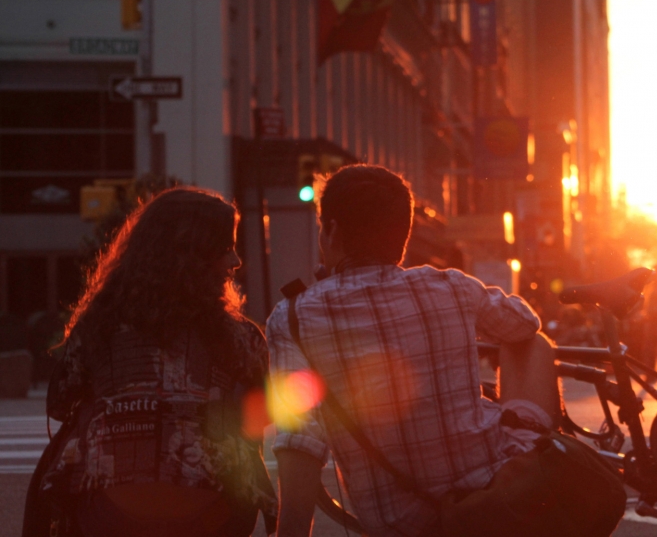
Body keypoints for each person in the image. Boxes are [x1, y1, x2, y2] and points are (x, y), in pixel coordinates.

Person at [267, 164, 561, 537]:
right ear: (402, 236)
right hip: (496, 485)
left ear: (333, 230)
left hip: (399, 521)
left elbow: (299, 438)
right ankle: (550, 452)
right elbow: (525, 324)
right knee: (535, 344)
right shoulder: (450, 285)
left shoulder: (293, 317)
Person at [35, 188, 277, 537]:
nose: (235, 262)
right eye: (225, 249)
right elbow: (263, 415)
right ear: (192, 256)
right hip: (213, 517)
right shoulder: (241, 337)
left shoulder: (97, 327)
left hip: (109, 514)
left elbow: (60, 404)